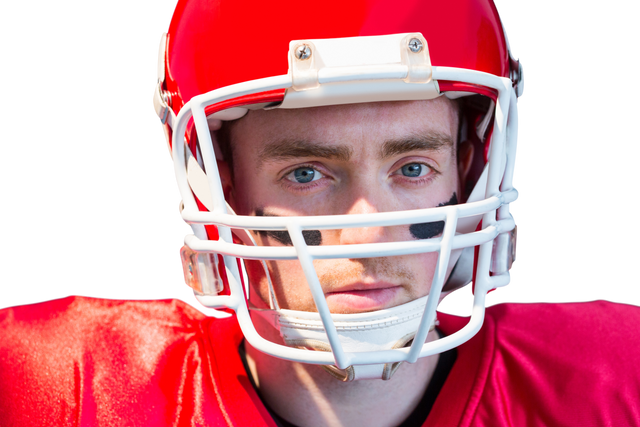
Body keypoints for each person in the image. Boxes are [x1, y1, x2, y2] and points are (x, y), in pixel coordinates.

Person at [1, 0, 638, 426]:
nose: (368, 233)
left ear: (469, 169)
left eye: (412, 169)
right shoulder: (61, 385)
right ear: (220, 179)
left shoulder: (615, 379)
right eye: (306, 174)